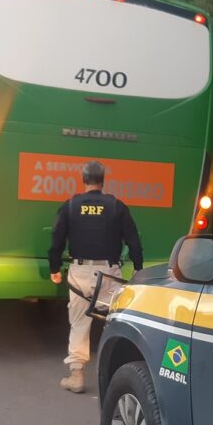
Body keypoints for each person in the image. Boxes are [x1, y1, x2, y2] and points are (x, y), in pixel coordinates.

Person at [49, 161, 143, 393]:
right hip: (109, 274)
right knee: (114, 321)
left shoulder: (71, 206)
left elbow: (56, 240)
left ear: (83, 180)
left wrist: (54, 269)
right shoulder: (116, 206)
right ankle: (115, 374)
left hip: (80, 273)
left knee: (79, 322)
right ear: (103, 181)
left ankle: (77, 375)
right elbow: (133, 239)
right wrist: (138, 268)